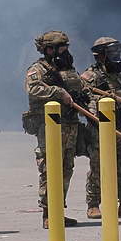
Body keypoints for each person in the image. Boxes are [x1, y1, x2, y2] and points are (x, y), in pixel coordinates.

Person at [22, 30, 89, 229]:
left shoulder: (68, 69)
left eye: (66, 48)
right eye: (61, 48)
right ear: (48, 50)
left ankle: (59, 210)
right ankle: (48, 214)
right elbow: (33, 89)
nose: (65, 51)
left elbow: (82, 88)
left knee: (66, 168)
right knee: (49, 169)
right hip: (50, 126)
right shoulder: (38, 69)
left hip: (70, 125)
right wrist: (58, 92)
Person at [82, 37, 121, 219]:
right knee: (99, 167)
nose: (116, 57)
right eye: (112, 53)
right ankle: (93, 205)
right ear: (100, 56)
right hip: (103, 129)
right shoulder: (90, 77)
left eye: (117, 53)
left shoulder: (120, 78)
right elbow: (86, 100)